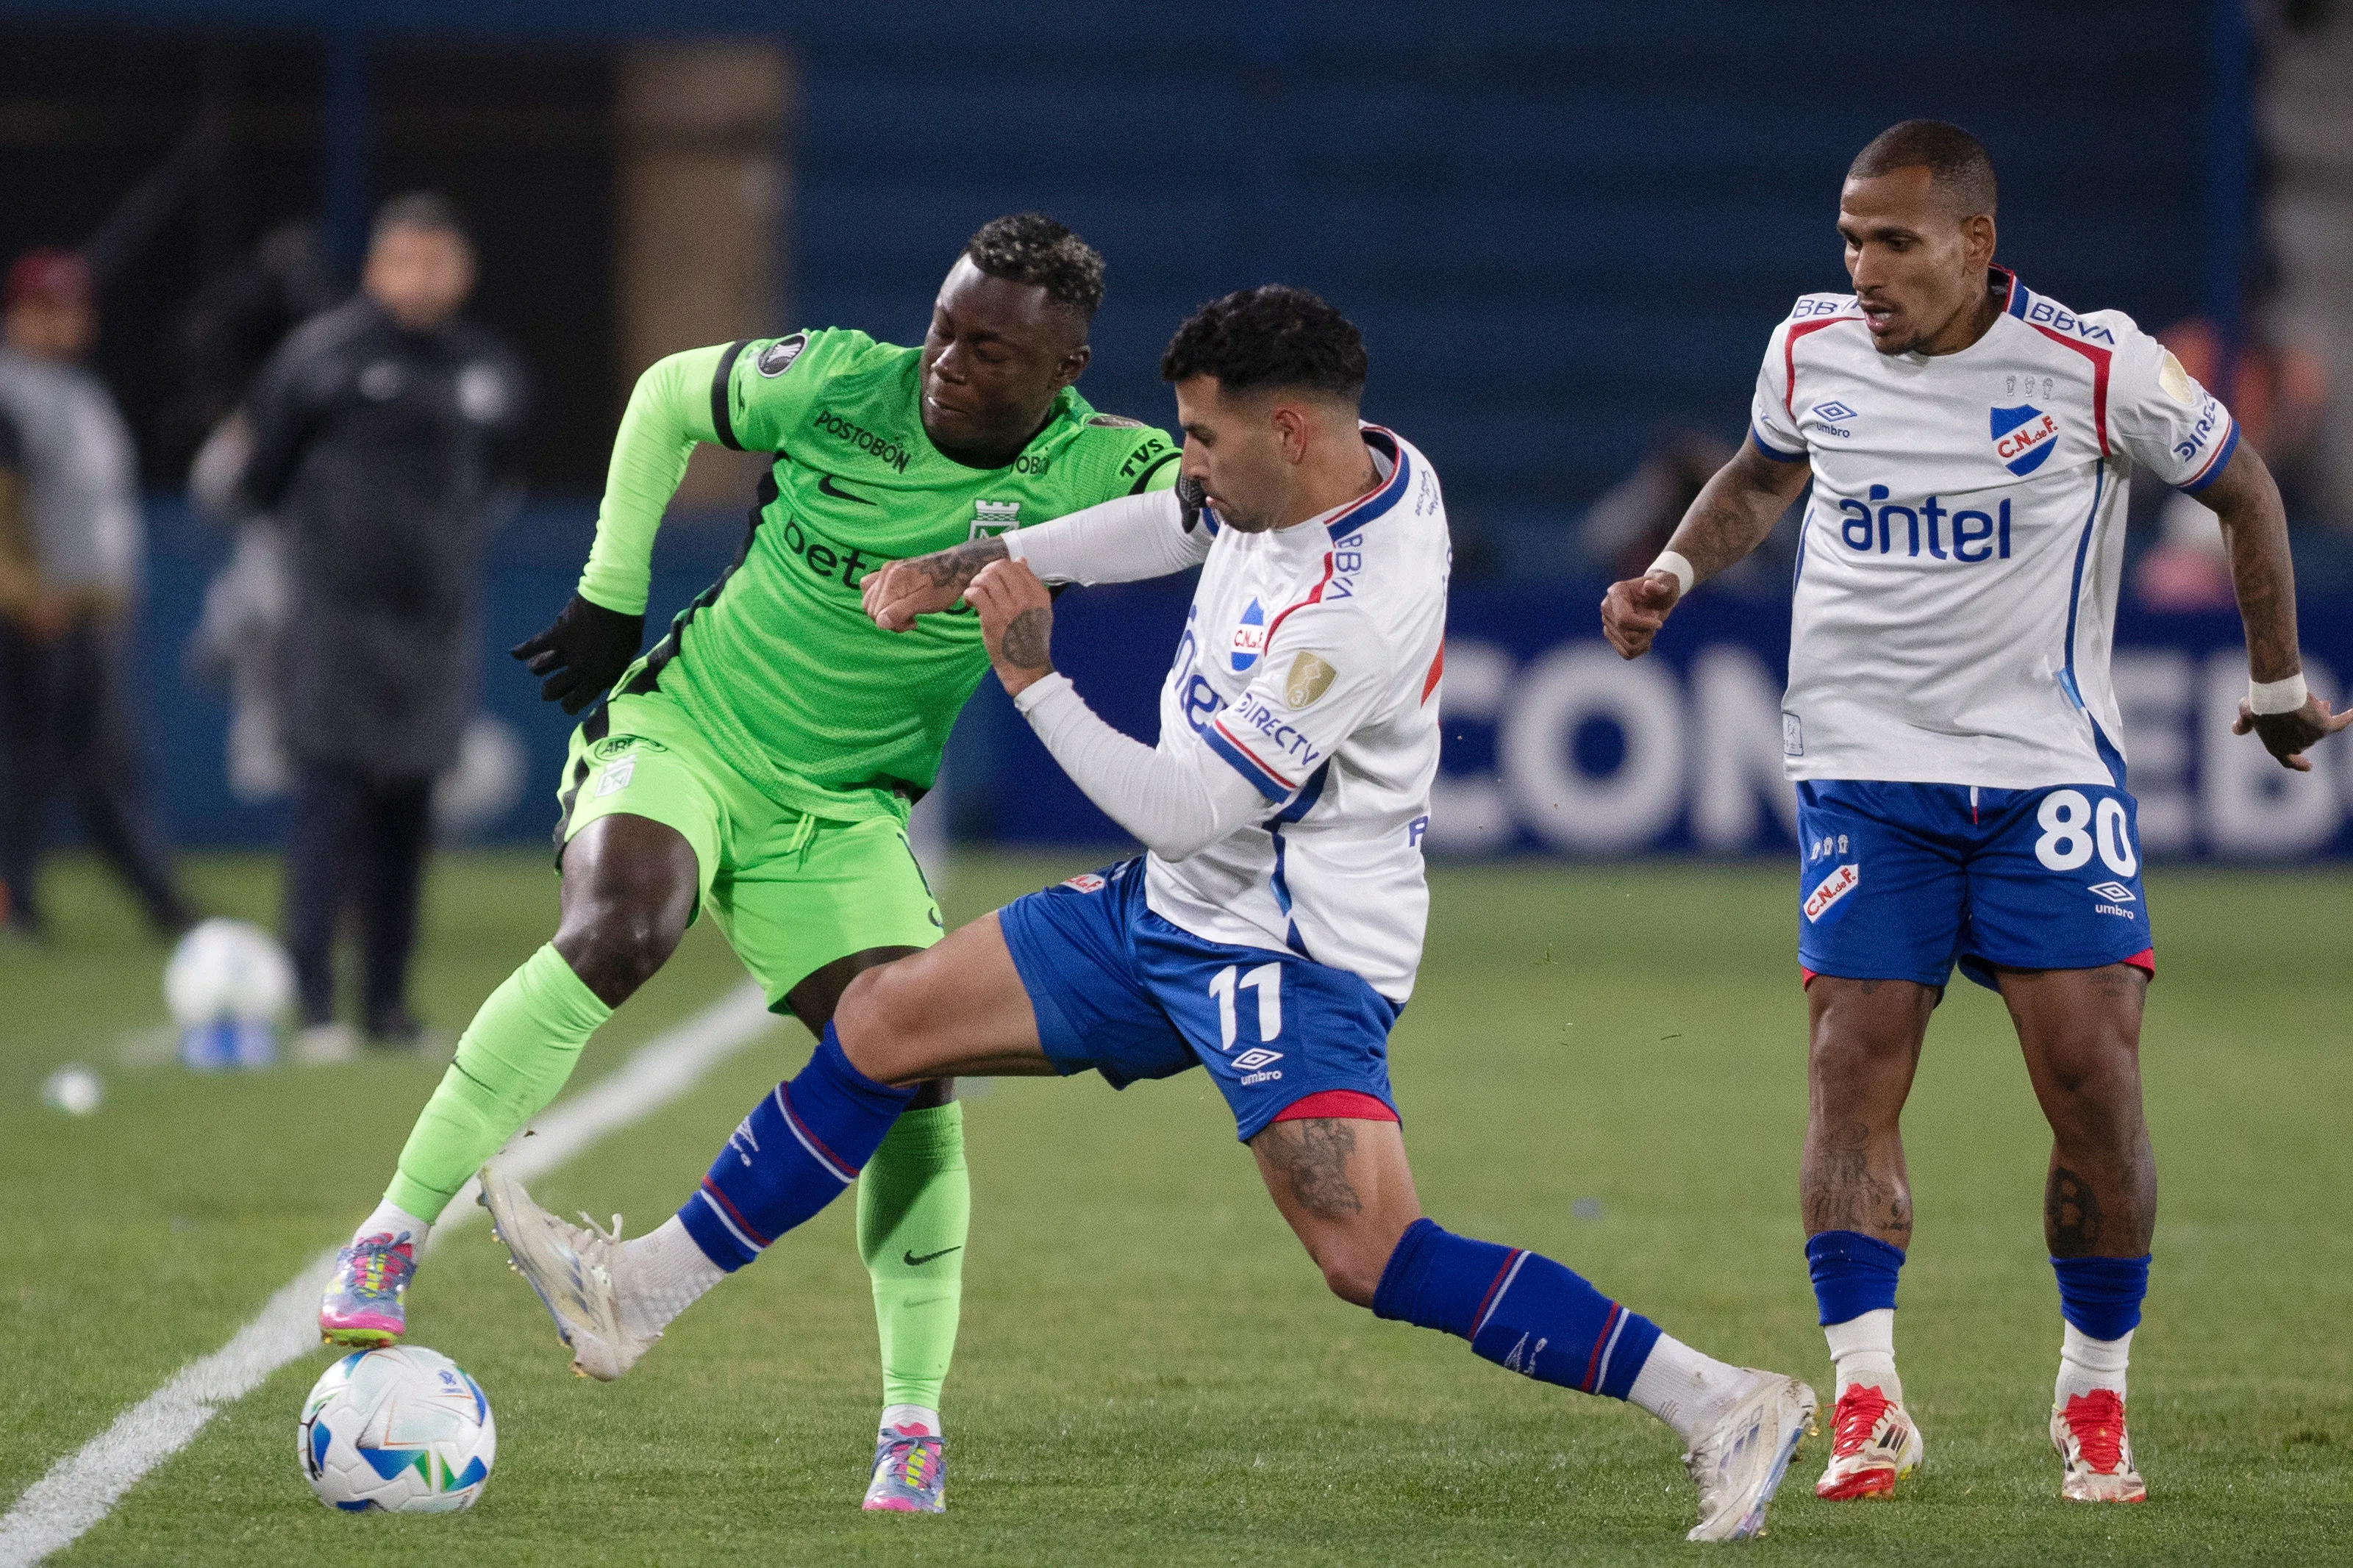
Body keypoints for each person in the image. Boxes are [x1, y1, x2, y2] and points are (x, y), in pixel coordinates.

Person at [476, 286, 1818, 1544]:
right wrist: (977, 559)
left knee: (1369, 1252)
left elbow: (1186, 806)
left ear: (1287, 431)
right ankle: (636, 1295)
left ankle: (1717, 1397)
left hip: (1286, 953)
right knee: (885, 1022)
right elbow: (1168, 521)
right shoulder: (1339, 463)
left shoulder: (1342, 616)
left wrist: (1031, 675)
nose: (1184, 458)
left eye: (1201, 433)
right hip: (1171, 912)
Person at [317, 214, 1183, 1514]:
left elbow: (1220, 510)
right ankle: (390, 1233)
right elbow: (669, 394)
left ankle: (910, 1428)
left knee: (911, 1066)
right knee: (620, 929)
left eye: (994, 350)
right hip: (689, 731)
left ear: (1066, 367)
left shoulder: (1102, 465)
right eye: (947, 324)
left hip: (837, 819)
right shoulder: (843, 379)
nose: (949, 360)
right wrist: (613, 590)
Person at [1599, 120, 2352, 1506]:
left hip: (2043, 772)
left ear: (1974, 243)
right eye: (1849, 239)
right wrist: (1672, 573)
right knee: (1851, 1060)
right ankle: (1871, 1395)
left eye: (1893, 241)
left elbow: (2242, 486)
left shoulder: (2095, 362)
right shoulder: (1810, 345)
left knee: (2092, 1079)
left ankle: (2095, 1395)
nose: (1864, 269)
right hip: (1864, 769)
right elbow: (1763, 475)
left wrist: (2281, 682)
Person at [238, 194, 528, 1054]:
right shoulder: (319, 361)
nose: (421, 278)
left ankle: (388, 1008)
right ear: (374, 266)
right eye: (404, 259)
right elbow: (262, 477)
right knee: (329, 809)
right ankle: (317, 1010)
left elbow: (505, 472)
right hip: (333, 623)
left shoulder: (489, 370)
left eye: (438, 261)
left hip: (433, 630)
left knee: (408, 817)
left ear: (464, 272)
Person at [0, 247, 194, 942]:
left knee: (102, 761)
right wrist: (22, 594)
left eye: (72, 307)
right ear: (17, 313)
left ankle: (156, 892)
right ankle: (16, 900)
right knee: (26, 764)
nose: (62, 322)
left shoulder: (80, 392)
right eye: (45, 309)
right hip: (34, 612)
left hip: (87, 608)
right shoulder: (10, 390)